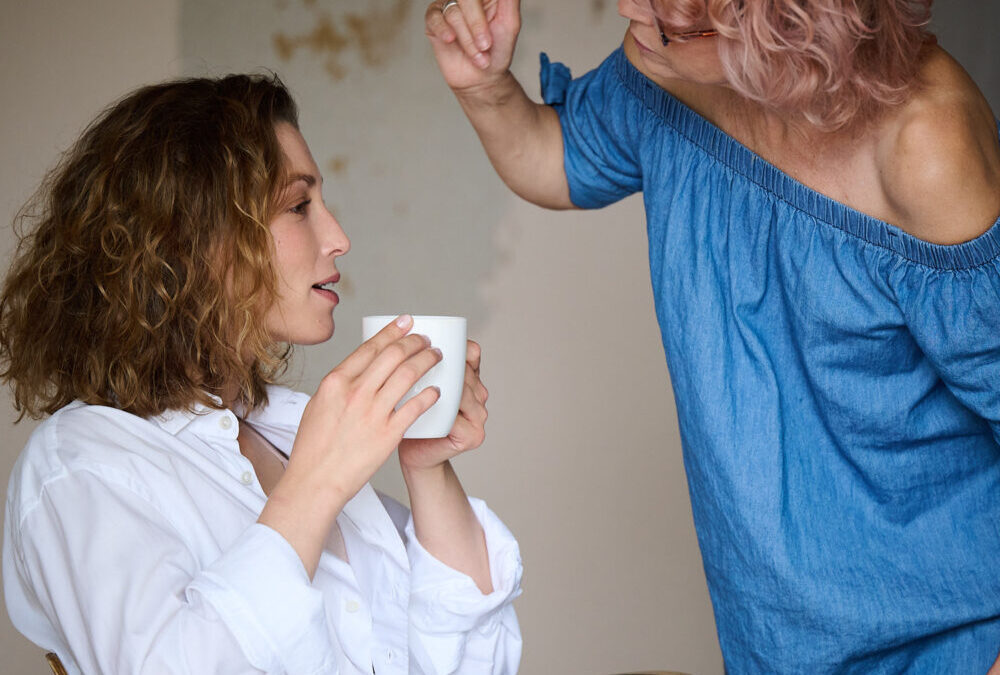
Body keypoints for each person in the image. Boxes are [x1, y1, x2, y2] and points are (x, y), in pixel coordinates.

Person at [424, 0, 1000, 671]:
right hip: (777, 649)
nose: (626, 8)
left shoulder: (926, 143)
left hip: (958, 643)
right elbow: (562, 158)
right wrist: (487, 87)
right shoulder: (667, 66)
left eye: (669, 7)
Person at [0, 73, 522, 674]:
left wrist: (426, 466)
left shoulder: (284, 432)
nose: (339, 238)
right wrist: (316, 486)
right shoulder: (80, 465)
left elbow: (474, 664)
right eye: (299, 206)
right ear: (192, 240)